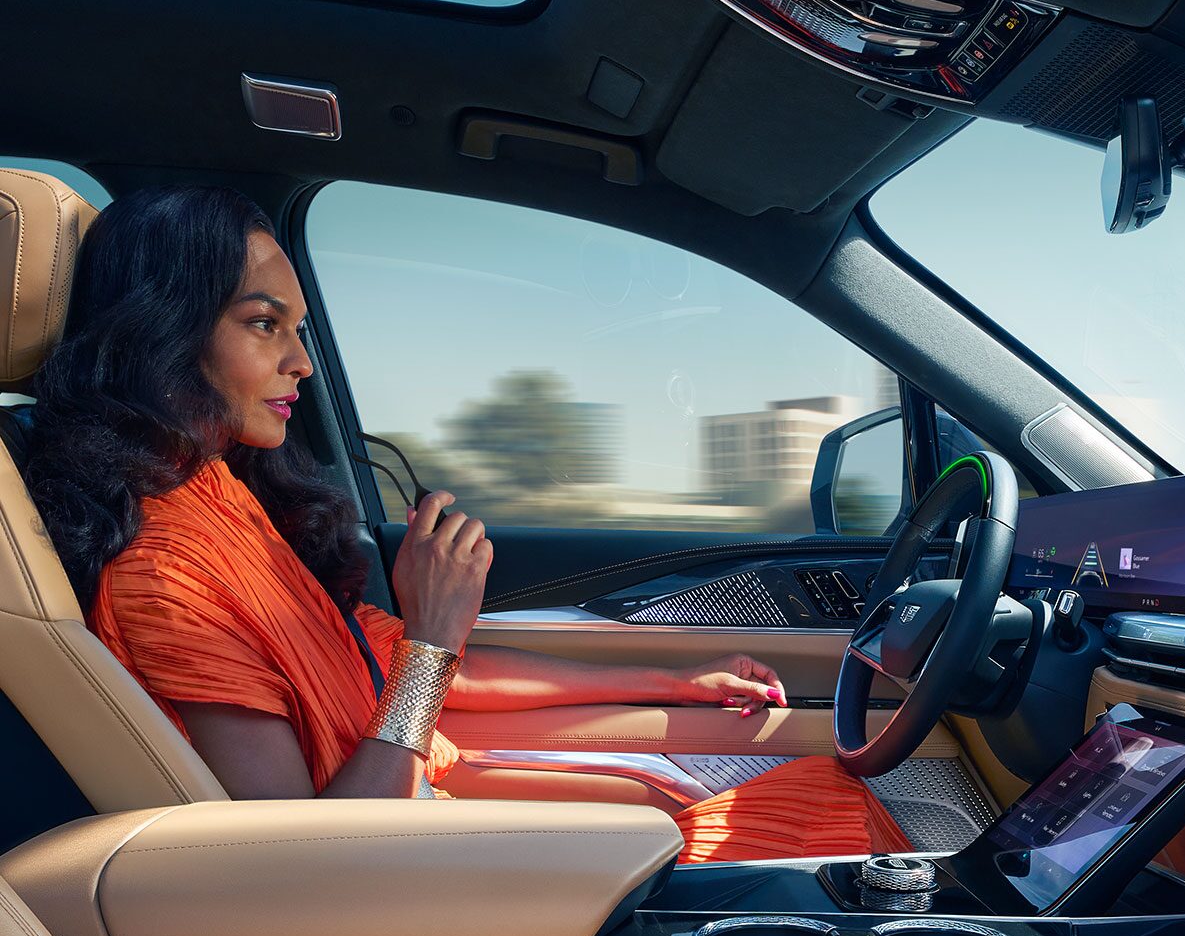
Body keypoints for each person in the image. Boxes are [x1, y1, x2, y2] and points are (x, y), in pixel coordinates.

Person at [26, 186, 908, 862]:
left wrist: (675, 677)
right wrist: (432, 640)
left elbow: (411, 672)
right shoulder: (166, 573)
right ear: (166, 332)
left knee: (799, 807)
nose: (300, 362)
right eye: (264, 325)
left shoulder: (220, 501)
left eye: (298, 328)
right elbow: (303, 861)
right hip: (394, 873)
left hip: (417, 820)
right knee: (827, 837)